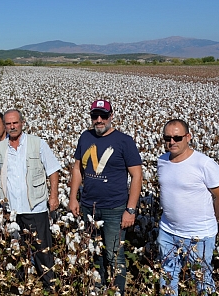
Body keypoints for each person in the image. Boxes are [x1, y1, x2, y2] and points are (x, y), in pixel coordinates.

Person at [68, 99, 143, 293]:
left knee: (114, 254)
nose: (99, 120)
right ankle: (98, 286)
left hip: (114, 209)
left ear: (111, 117)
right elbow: (77, 169)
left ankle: (117, 290)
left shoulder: (124, 141)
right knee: (94, 251)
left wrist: (130, 210)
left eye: (103, 116)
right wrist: (73, 198)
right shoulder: (85, 137)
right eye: (95, 116)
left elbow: (136, 176)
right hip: (88, 206)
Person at [0, 109, 61, 288]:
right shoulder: (0, 148)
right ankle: (20, 285)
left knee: (42, 249)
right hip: (12, 210)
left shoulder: (37, 143)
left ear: (22, 123)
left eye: (15, 123)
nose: (12, 127)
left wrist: (53, 196)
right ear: (5, 126)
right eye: (9, 124)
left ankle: (49, 286)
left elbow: (53, 171)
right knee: (16, 249)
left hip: (35, 207)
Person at [157, 119, 219, 295]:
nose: (172, 142)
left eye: (177, 137)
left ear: (188, 137)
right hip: (168, 231)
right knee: (167, 276)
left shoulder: (204, 164)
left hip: (199, 236)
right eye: (167, 138)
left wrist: (213, 220)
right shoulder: (162, 161)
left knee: (202, 279)